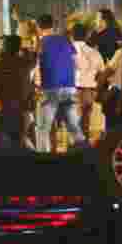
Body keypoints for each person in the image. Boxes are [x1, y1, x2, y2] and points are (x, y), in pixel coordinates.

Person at [34, 14, 87, 153]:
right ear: (53, 25)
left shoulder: (40, 42)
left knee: (43, 128)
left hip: (51, 87)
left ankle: (43, 159)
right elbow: (78, 64)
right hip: (69, 87)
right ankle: (83, 155)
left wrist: (37, 83)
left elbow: (35, 66)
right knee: (73, 126)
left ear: (39, 27)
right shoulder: (66, 40)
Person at [0, 35, 36, 149]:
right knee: (19, 144)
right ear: (18, 49)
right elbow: (32, 56)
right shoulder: (26, 64)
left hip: (2, 111)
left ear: (4, 48)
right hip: (21, 112)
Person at [70, 23, 106, 143]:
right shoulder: (94, 53)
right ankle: (83, 148)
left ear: (72, 35)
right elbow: (102, 73)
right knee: (85, 121)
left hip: (72, 89)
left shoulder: (66, 52)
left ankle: (76, 148)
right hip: (90, 90)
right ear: (86, 36)